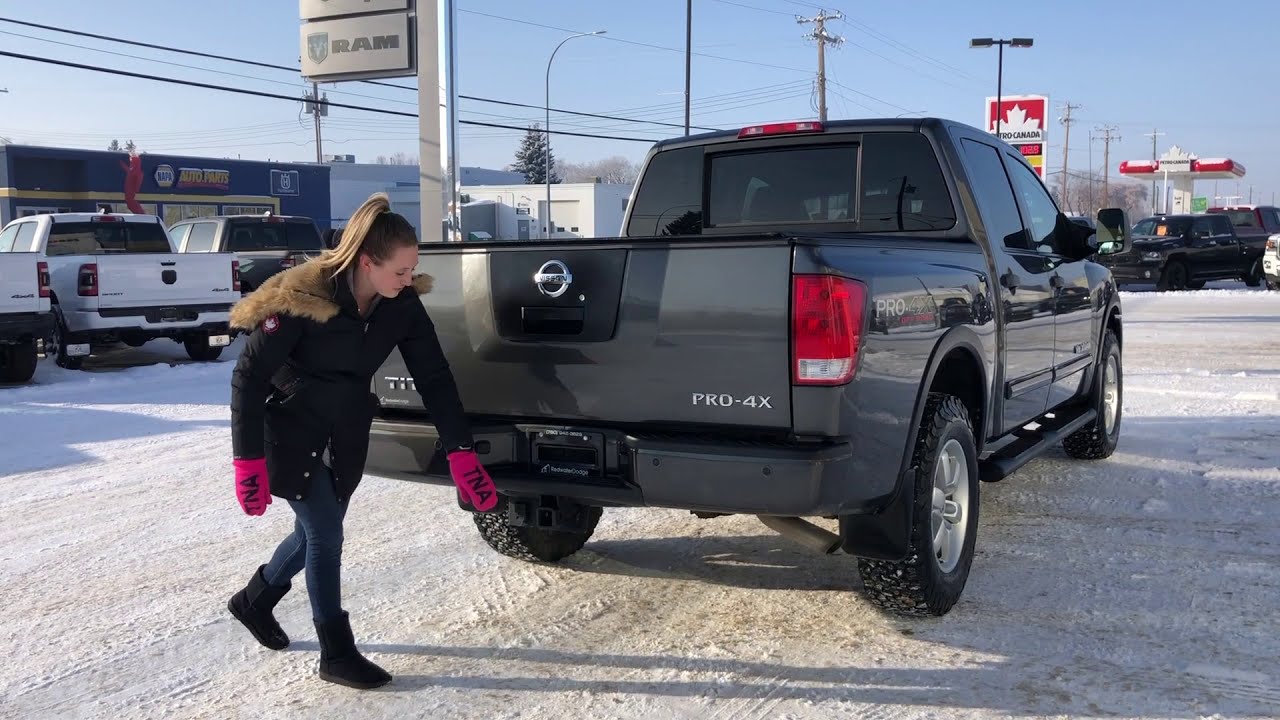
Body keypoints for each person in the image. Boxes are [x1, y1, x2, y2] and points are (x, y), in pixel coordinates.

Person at [224, 192, 498, 690]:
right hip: (290, 430)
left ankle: (256, 599)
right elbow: (248, 377)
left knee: (312, 533)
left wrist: (461, 451)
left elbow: (434, 376)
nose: (409, 280)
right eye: (400, 271)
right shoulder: (298, 301)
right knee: (326, 535)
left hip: (346, 429)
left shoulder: (401, 304)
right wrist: (248, 462)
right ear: (368, 263)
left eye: (413, 270)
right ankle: (337, 652)